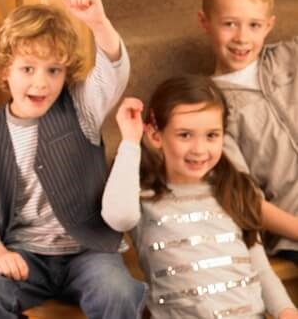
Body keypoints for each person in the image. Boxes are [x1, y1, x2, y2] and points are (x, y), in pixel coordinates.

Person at [0, 0, 146, 318]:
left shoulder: (81, 108)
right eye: (27, 69)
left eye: (53, 70)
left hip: (89, 251)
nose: (41, 82)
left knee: (118, 292)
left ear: (66, 73)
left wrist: (99, 23)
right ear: (4, 71)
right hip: (24, 254)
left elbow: (113, 74)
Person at [102, 77, 298, 318]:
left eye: (212, 135)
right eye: (185, 135)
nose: (199, 149)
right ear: (155, 136)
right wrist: (131, 141)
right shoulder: (143, 198)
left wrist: (287, 312)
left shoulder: (234, 190)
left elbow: (262, 271)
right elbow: (119, 217)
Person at [198, 0, 298, 264]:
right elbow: (246, 199)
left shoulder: (286, 59)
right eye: (230, 24)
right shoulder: (211, 107)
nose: (242, 37)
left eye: (254, 25)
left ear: (269, 26)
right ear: (205, 22)